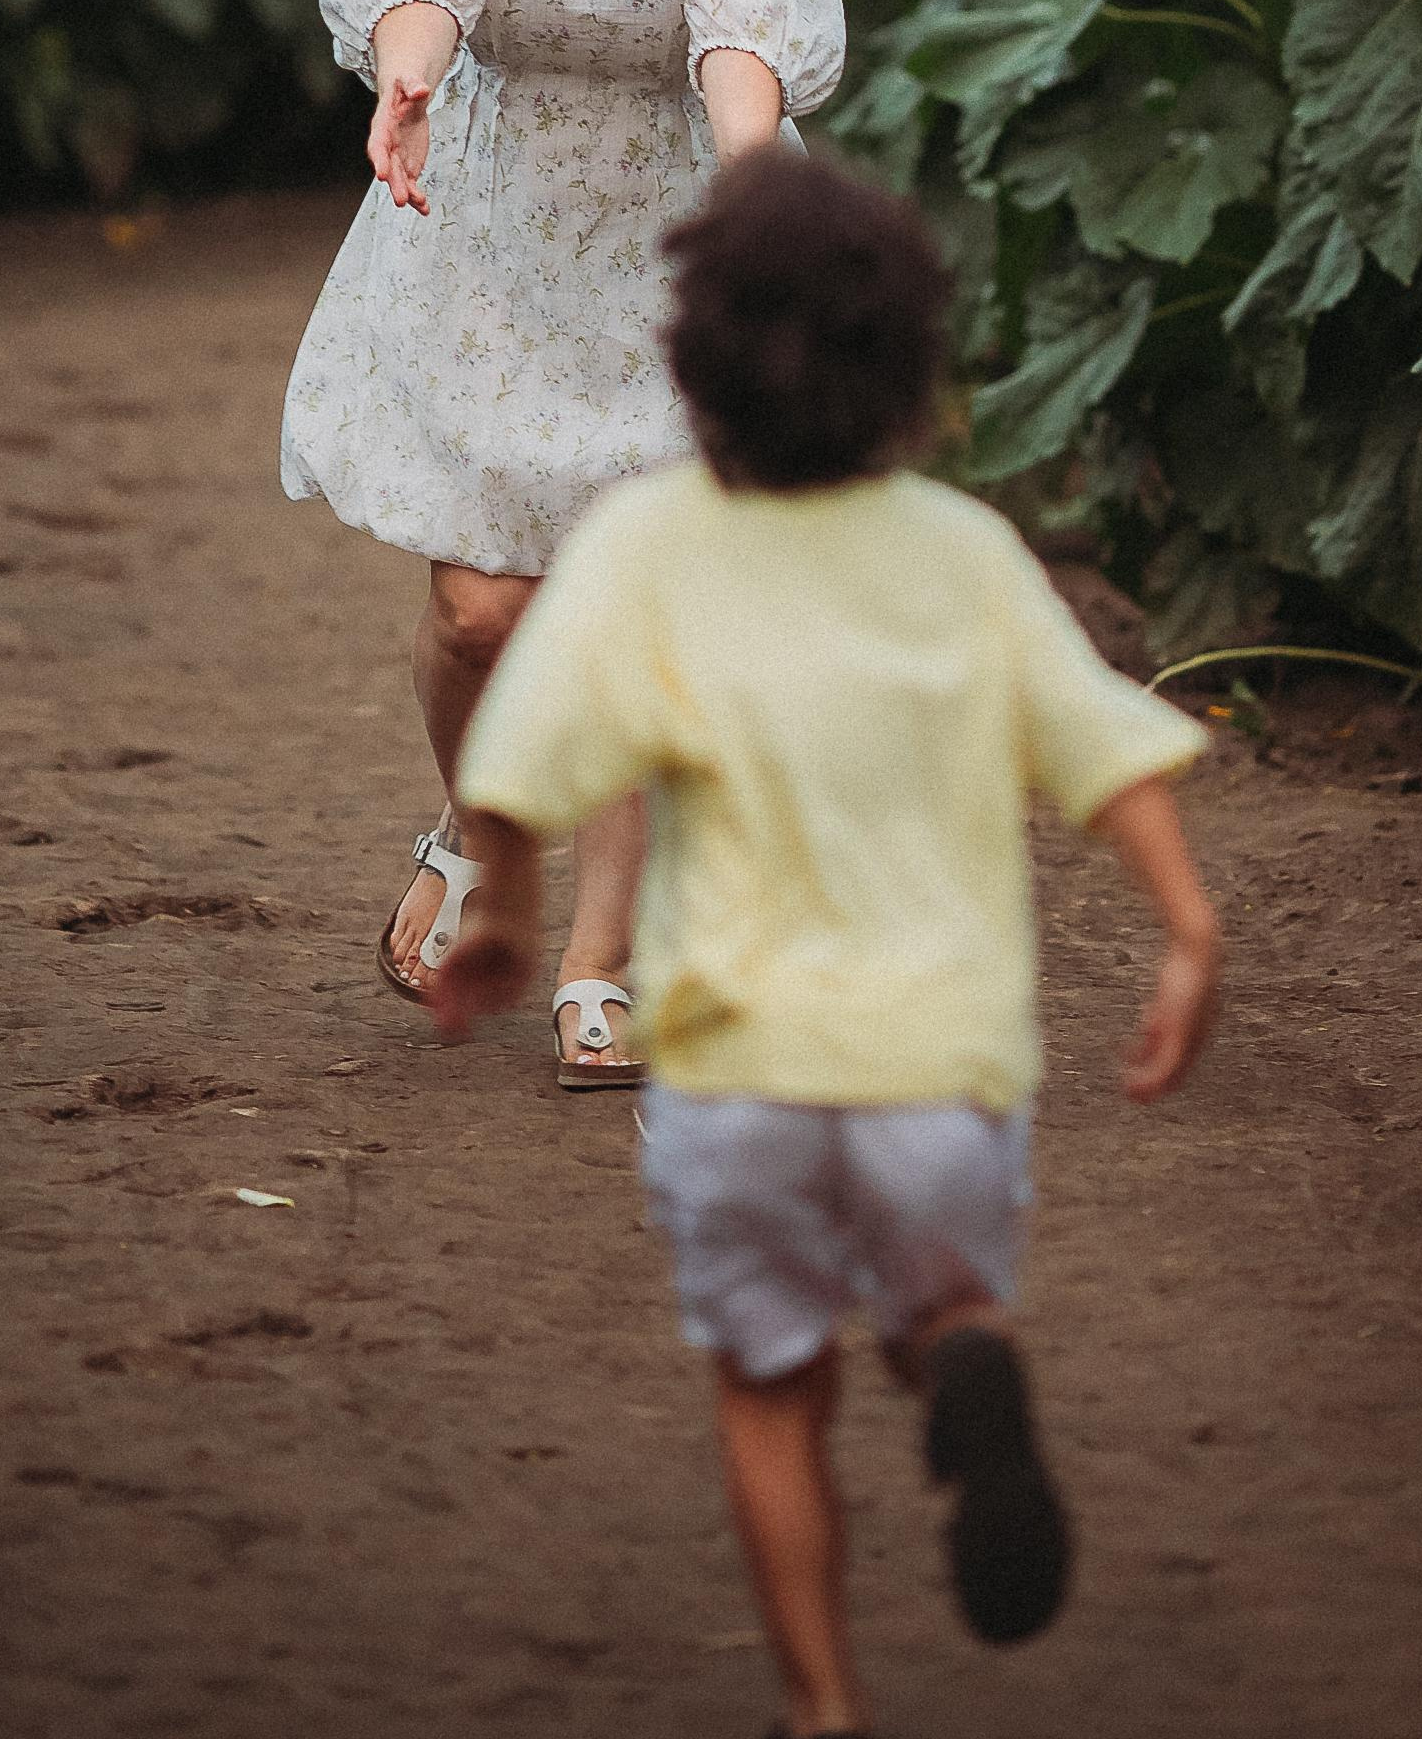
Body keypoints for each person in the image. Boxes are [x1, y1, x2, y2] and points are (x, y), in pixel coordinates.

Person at [429, 147, 1221, 1739]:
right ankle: (962, 1353)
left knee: (771, 1388)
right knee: (928, 1306)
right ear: (919, 370)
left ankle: (825, 1707)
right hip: (938, 1066)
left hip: (739, 1075)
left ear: (690, 364)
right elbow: (1100, 749)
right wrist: (1187, 929)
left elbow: (523, 750)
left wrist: (508, 907)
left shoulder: (648, 546)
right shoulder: (964, 554)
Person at [280, 0, 844, 1083]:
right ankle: (480, 824)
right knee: (483, 613)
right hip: (488, 204)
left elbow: (746, 5)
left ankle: (603, 962)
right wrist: (405, 70)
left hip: (685, 215)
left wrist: (756, 202)